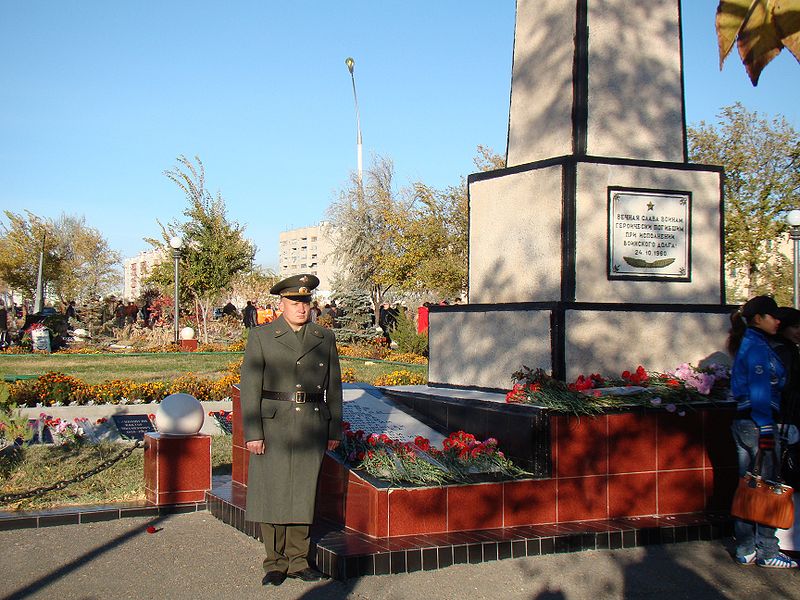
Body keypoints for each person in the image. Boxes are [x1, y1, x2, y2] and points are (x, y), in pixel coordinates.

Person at [239, 273, 342, 586]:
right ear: (281, 304)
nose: (302, 307)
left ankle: (298, 560)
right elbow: (250, 387)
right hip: (274, 423)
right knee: (273, 491)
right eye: (295, 301)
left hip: (311, 422)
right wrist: (253, 432)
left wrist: (334, 428)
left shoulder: (324, 338)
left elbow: (334, 387)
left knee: (302, 491)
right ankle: (275, 561)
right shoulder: (262, 336)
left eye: (306, 301)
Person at [727, 295, 797, 568]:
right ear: (759, 318)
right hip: (758, 424)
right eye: (773, 316)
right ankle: (767, 552)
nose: (778, 320)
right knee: (766, 488)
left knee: (749, 485)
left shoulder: (750, 343)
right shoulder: (757, 347)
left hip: (745, 424)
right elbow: (760, 390)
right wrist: (766, 428)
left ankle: (745, 548)